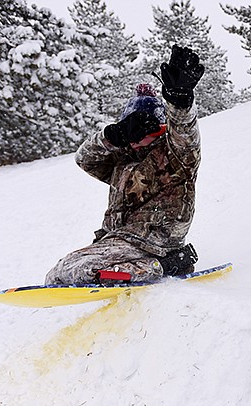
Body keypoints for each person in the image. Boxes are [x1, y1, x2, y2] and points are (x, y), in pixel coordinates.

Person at [45, 45, 205, 285]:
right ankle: (171, 262)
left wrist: (179, 102)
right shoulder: (122, 159)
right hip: (119, 240)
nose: (141, 141)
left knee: (68, 273)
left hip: (155, 239)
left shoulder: (176, 155)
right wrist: (112, 136)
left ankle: (164, 265)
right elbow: (84, 159)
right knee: (61, 273)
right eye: (135, 133)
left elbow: (185, 133)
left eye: (150, 132)